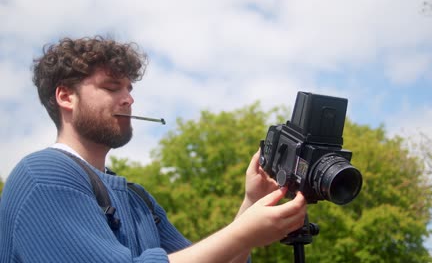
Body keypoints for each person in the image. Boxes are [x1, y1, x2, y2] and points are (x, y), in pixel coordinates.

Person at [0, 36, 307, 263]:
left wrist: (251, 202)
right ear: (66, 97)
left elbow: (214, 258)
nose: (128, 99)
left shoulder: (138, 199)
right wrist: (245, 232)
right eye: (111, 87)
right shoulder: (43, 175)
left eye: (129, 89)